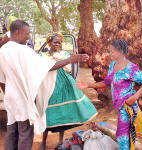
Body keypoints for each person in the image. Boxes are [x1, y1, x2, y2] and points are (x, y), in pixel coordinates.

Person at [0, 20, 89, 150]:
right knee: (25, 132)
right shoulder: (24, 51)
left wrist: (7, 93)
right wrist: (70, 59)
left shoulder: (3, 50)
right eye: (27, 33)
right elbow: (47, 66)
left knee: (12, 130)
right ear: (17, 32)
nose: (29, 37)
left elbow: (1, 79)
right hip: (22, 98)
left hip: (10, 97)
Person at [77, 39, 142, 150]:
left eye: (112, 51)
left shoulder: (131, 68)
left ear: (121, 51)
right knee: (124, 136)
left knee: (122, 136)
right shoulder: (113, 65)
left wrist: (135, 97)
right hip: (121, 106)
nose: (110, 54)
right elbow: (106, 82)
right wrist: (88, 85)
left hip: (128, 107)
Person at [38, 32, 97, 150]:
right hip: (50, 86)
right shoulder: (42, 56)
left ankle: (60, 141)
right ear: (49, 43)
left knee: (63, 113)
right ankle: (43, 141)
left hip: (64, 86)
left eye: (59, 43)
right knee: (47, 112)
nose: (58, 45)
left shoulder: (64, 54)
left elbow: (68, 68)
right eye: (55, 42)